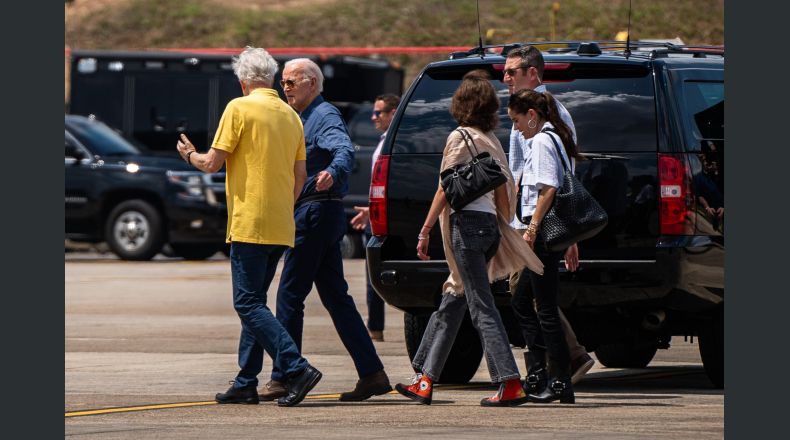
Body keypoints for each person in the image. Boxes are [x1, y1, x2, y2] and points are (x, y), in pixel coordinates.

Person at [175, 47, 321, 407]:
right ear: (271, 78)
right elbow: (300, 176)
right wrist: (284, 207)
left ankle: (295, 367)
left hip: (250, 221)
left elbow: (211, 163)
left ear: (243, 81)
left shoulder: (238, 108)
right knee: (256, 302)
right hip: (280, 222)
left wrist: (189, 155)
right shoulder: (291, 116)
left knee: (248, 303)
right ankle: (246, 380)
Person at [393, 70, 544, 407]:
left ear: (460, 105)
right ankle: (425, 378)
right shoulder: (491, 139)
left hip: (467, 228)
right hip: (488, 226)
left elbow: (445, 188)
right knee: (453, 300)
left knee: (481, 307)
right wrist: (500, 225)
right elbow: (507, 189)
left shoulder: (459, 137)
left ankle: (509, 381)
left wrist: (426, 228)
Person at [260, 58, 392, 403]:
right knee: (336, 298)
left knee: (289, 296)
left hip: (315, 212)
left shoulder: (324, 115)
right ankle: (372, 373)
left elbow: (344, 149)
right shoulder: (301, 117)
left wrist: (333, 169)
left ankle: (286, 375)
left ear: (313, 84)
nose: (285, 87)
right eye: (283, 82)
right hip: (321, 213)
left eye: (292, 82)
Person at [502, 45, 595, 392]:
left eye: (512, 72)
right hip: (521, 219)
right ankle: (559, 366)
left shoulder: (546, 117)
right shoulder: (523, 114)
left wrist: (566, 235)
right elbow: (517, 172)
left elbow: (560, 179)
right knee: (530, 296)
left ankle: (555, 368)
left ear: (533, 73)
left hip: (536, 223)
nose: (505, 78)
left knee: (526, 296)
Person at [349, 93, 401, 342]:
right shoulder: (383, 142)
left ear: (393, 113)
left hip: (387, 217)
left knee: (380, 273)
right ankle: (375, 328)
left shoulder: (396, 144)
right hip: (377, 214)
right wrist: (370, 211)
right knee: (372, 275)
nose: (373, 117)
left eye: (378, 112)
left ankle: (376, 327)